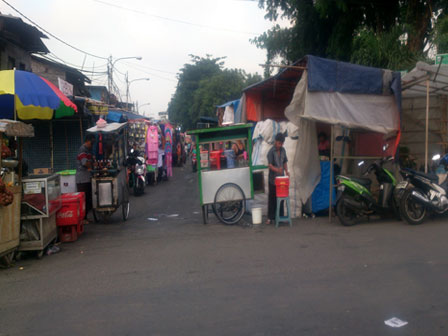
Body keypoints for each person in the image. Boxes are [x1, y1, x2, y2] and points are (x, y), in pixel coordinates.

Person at [266, 133, 289, 224]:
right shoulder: (271, 152)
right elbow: (270, 165)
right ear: (275, 141)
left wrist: (286, 171)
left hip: (281, 179)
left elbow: (285, 162)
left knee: (281, 198)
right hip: (273, 179)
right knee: (272, 198)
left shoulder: (283, 150)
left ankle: (280, 216)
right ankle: (270, 218)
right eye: (279, 143)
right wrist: (277, 169)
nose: (280, 145)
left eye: (281, 144)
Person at [76, 134, 95, 223]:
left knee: (88, 198)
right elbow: (85, 163)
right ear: (87, 141)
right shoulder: (82, 149)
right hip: (82, 179)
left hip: (87, 177)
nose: (92, 145)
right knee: (83, 199)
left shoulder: (88, 150)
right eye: (91, 143)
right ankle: (82, 218)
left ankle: (85, 217)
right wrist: (91, 165)